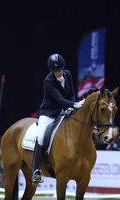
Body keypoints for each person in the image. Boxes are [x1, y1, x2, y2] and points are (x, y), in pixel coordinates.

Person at [32, 54, 85, 183]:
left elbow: (72, 93)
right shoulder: (48, 80)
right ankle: (35, 170)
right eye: (55, 71)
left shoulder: (68, 74)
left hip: (64, 109)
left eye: (59, 70)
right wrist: (74, 104)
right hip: (48, 112)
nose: (58, 73)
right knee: (40, 138)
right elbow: (59, 99)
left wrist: (71, 106)